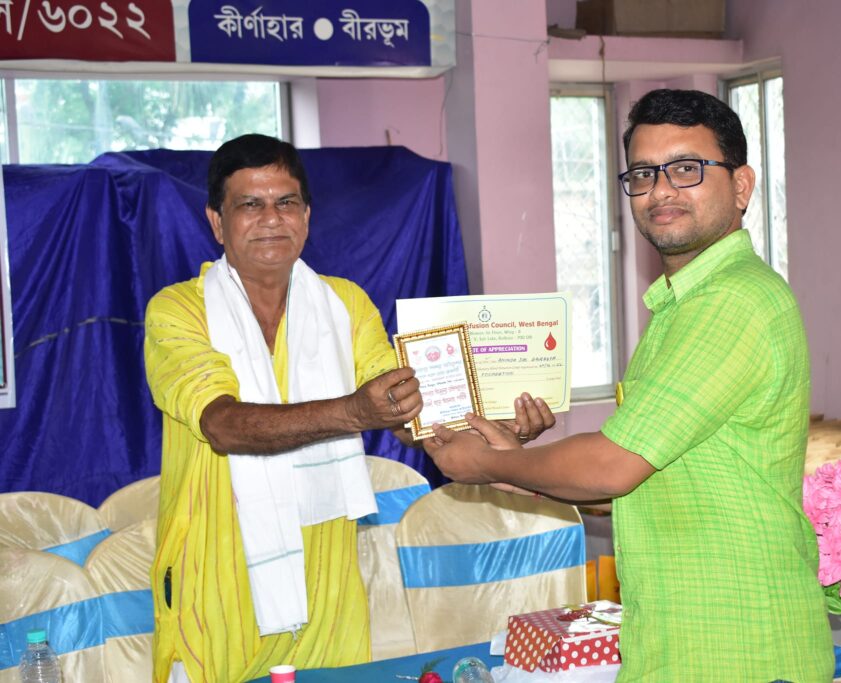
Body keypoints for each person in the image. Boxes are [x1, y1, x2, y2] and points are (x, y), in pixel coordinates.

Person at [425, 90, 834, 681]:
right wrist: (519, 464)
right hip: (679, 641)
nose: (661, 190)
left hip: (740, 645)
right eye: (643, 174)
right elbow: (638, 478)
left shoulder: (732, 300)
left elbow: (614, 465)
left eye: (686, 169)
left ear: (742, 186)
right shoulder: (680, 307)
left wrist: (489, 464)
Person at [143, 134, 553, 683]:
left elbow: (406, 413)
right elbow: (224, 426)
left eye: (286, 202)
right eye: (250, 204)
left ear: (307, 217)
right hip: (212, 593)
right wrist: (356, 412)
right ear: (217, 222)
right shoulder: (177, 311)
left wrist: (492, 431)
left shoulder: (344, 305)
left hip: (328, 592)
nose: (271, 219)